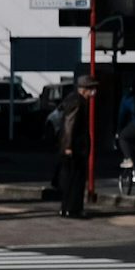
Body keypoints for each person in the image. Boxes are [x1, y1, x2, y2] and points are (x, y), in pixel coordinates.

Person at [52, 79, 92, 218]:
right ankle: (73, 209)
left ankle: (67, 208)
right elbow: (70, 124)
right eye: (91, 89)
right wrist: (68, 146)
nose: (93, 93)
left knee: (69, 178)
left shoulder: (72, 99)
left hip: (72, 147)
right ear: (84, 89)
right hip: (76, 147)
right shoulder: (78, 102)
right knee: (75, 179)